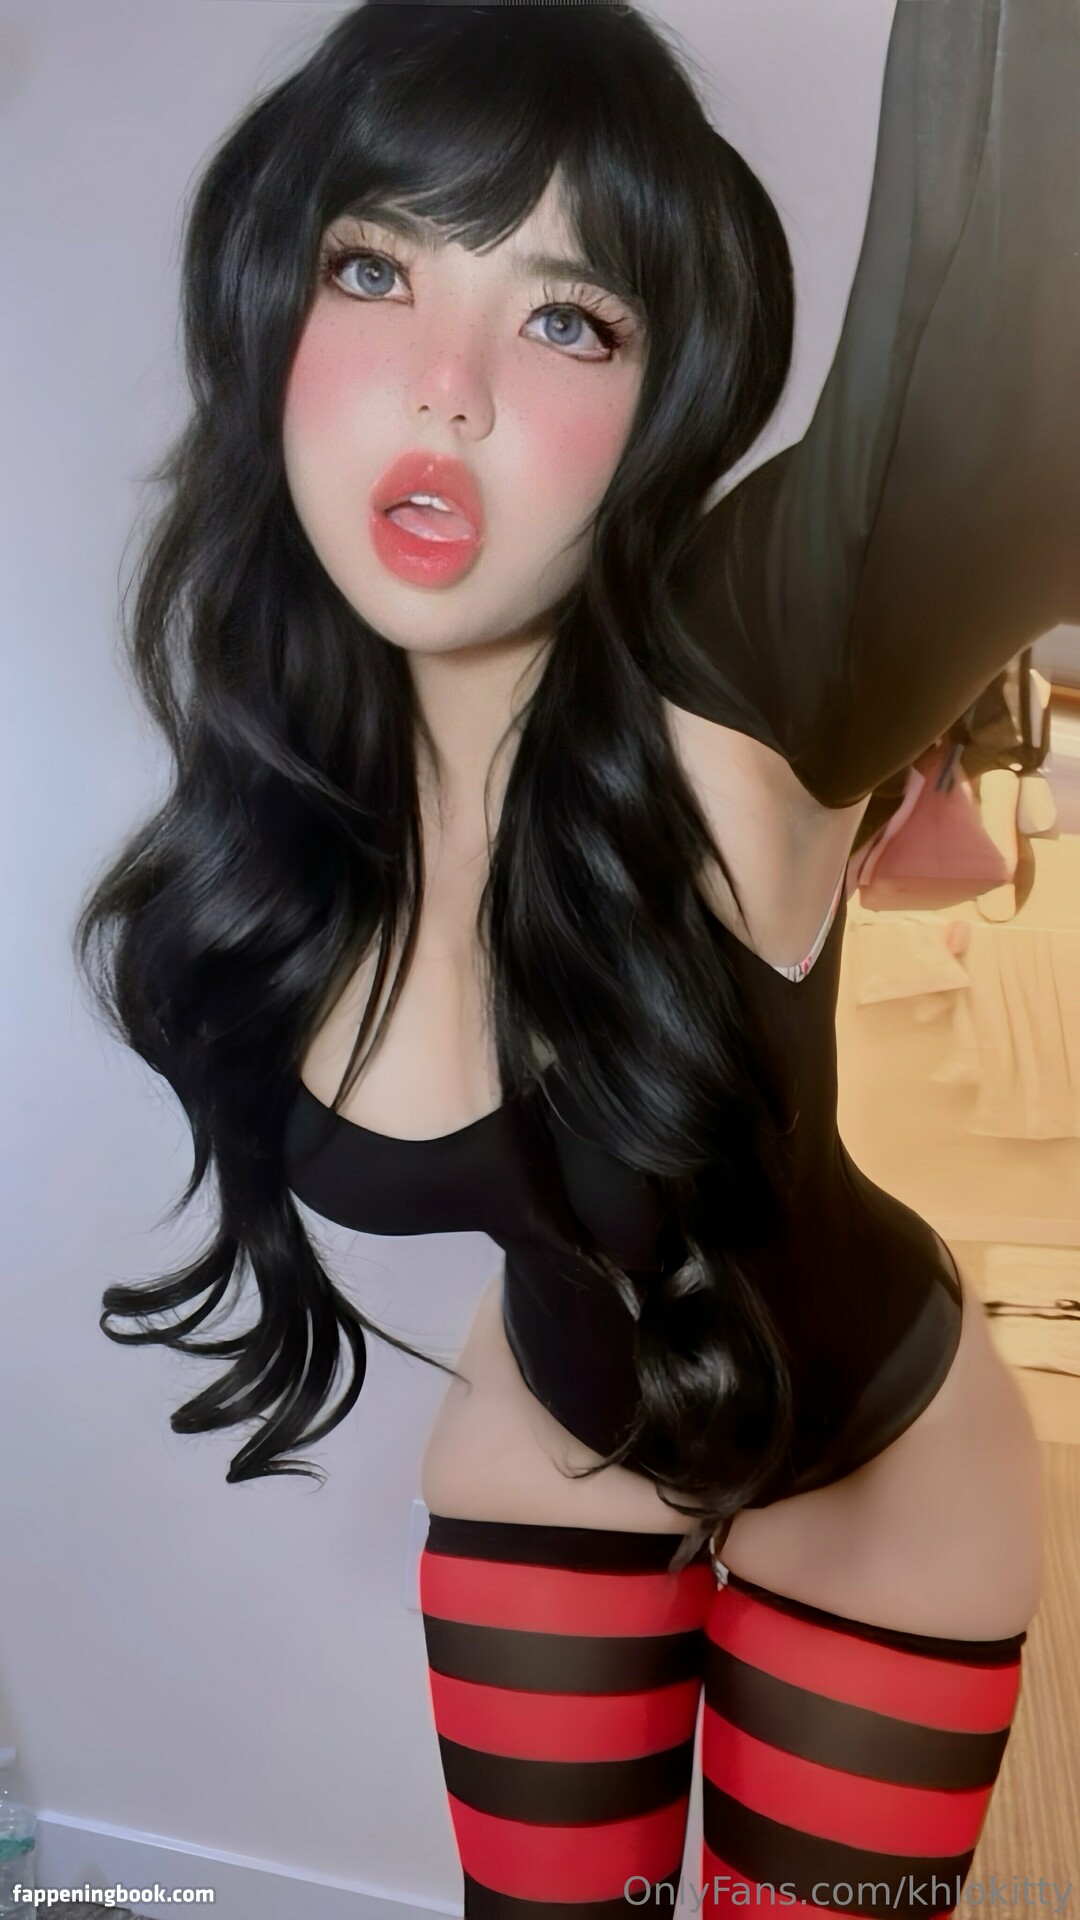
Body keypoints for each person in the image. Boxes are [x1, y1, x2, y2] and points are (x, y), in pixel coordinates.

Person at [74, 0, 1080, 1910]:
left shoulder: (742, 683)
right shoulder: (302, 803)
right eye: (375, 268)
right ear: (268, 305)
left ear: (664, 401)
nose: (442, 390)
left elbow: (1025, 316)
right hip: (550, 1429)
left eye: (567, 320)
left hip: (872, 1462)